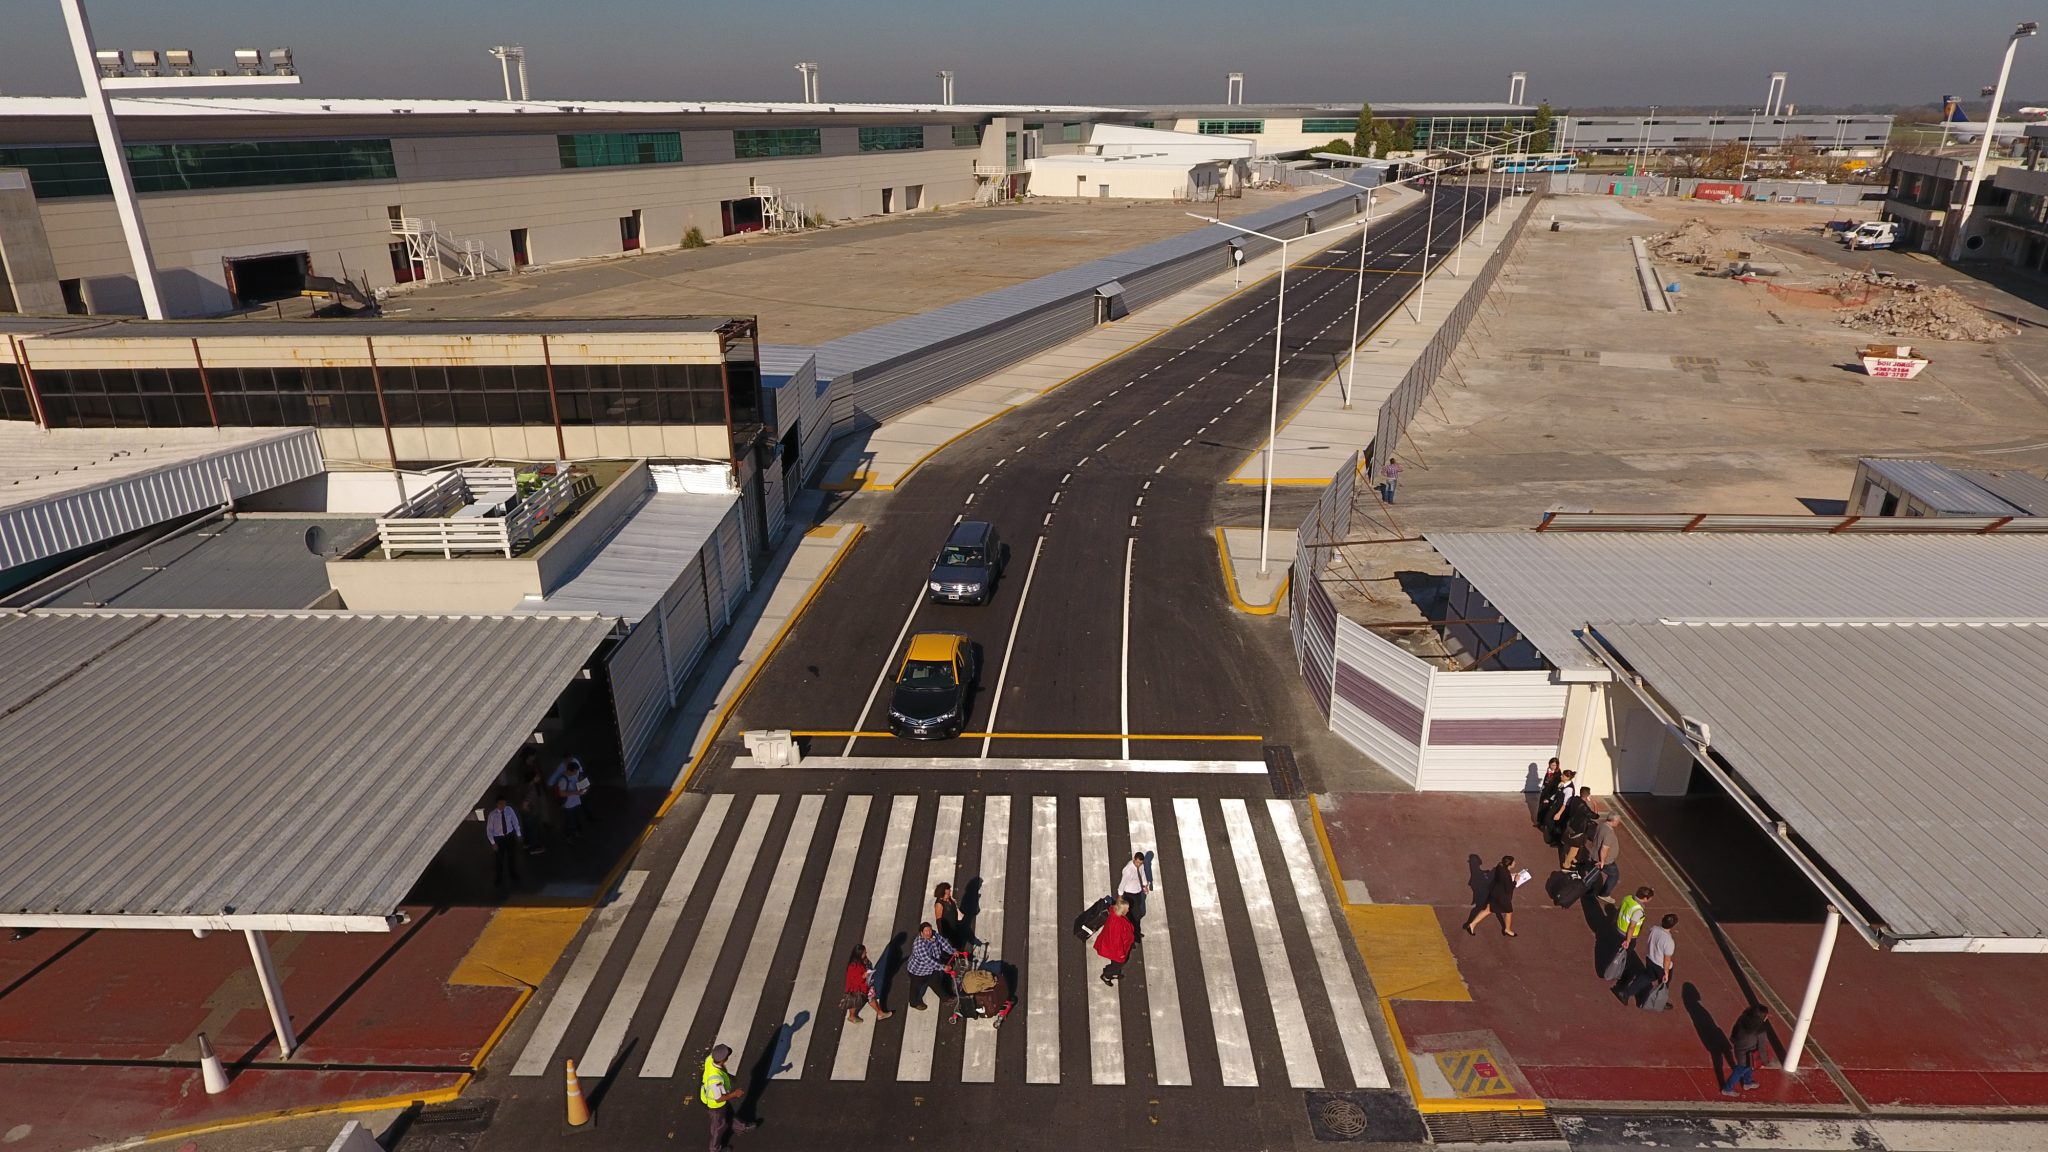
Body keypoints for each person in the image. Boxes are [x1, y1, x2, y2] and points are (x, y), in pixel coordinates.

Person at [1617, 913, 1678, 1008]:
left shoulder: (1654, 929)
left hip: (1650, 959)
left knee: (1645, 978)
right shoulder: (1669, 941)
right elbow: (1667, 959)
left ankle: (1626, 993)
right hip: (1660, 966)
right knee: (1663, 984)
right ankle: (1659, 1001)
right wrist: (1666, 972)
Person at [701, 1043, 755, 1149]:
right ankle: (714, 1149)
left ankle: (741, 1127)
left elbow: (721, 1068)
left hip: (719, 1101)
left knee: (729, 1114)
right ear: (722, 1060)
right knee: (718, 1127)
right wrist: (734, 1094)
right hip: (715, 1106)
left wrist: (728, 1076)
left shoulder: (710, 1059)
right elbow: (718, 1099)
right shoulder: (715, 1080)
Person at [1463, 855, 1519, 937]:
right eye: (1513, 862)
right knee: (1509, 912)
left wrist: (1511, 875)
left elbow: (1503, 877)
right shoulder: (1505, 874)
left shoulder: (1500, 866)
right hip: (1502, 897)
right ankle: (1507, 929)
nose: (1515, 863)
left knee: (1488, 910)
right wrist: (1515, 881)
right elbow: (1509, 888)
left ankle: (1471, 925)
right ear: (1509, 864)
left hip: (1494, 894)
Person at [903, 923, 955, 1011]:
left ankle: (946, 999)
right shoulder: (919, 946)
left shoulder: (934, 935)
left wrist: (952, 951)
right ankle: (914, 1002)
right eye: (926, 931)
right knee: (916, 987)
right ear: (921, 933)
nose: (929, 933)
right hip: (918, 971)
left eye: (930, 930)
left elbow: (943, 942)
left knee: (936, 982)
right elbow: (928, 961)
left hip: (931, 969)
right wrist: (943, 967)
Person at [1722, 1004, 1772, 1094]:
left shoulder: (1743, 1018)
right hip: (1748, 1053)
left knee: (1750, 1067)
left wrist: (1733, 1038)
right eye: (1766, 1015)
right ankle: (1727, 1089)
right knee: (1740, 1070)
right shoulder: (1760, 1029)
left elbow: (1735, 1028)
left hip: (1739, 1048)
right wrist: (1765, 1062)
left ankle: (1747, 1082)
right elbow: (1761, 1047)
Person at [842, 944, 892, 1024]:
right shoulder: (853, 966)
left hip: (864, 986)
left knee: (868, 999)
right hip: (858, 988)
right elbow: (854, 981)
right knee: (856, 1002)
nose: (866, 953)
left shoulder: (862, 960)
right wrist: (863, 976)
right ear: (859, 955)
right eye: (864, 953)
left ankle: (879, 1013)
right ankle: (879, 1014)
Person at [485, 792, 523, 889]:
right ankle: (499, 878)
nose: (503, 806)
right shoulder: (492, 815)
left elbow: (515, 821)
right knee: (499, 859)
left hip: (509, 836)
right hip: (499, 839)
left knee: (511, 856)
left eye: (504, 803)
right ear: (497, 804)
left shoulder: (509, 810)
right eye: (501, 804)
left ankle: (513, 873)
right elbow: (489, 829)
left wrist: (518, 834)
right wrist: (493, 843)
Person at [1095, 899, 1137, 985]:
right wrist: (1121, 954)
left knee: (1117, 963)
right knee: (1118, 963)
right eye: (1127, 909)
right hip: (1116, 950)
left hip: (1116, 945)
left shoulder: (1115, 915)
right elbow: (1116, 942)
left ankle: (1113, 972)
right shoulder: (1117, 923)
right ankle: (1107, 975)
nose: (1128, 910)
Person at [551, 757, 591, 844]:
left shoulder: (573, 776)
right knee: (570, 821)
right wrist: (576, 792)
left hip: (576, 802)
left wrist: (583, 787)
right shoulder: (563, 780)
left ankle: (577, 832)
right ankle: (569, 836)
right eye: (576, 771)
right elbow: (562, 793)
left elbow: (577, 784)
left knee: (576, 819)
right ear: (571, 770)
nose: (577, 773)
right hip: (568, 805)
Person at [1559, 786, 1597, 869]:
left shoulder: (1575, 799)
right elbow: (1595, 816)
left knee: (1570, 844)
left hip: (1571, 825)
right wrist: (1595, 805)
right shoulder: (1584, 807)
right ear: (1588, 796)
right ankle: (1567, 864)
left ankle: (1573, 860)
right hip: (1578, 829)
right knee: (1575, 848)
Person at [1589, 815, 1623, 905]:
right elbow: (1604, 849)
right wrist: (1603, 861)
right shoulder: (1609, 834)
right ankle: (1604, 894)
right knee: (1614, 875)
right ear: (1613, 821)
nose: (1619, 823)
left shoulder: (1601, 825)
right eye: (1618, 821)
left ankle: (1588, 888)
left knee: (1594, 873)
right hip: (1605, 860)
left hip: (1594, 855)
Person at [1118, 851, 1151, 932]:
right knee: (1136, 915)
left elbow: (1142, 874)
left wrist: (1145, 885)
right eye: (1137, 862)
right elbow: (1122, 884)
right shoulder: (1128, 870)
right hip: (1129, 895)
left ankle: (1134, 932)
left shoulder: (1141, 866)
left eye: (1140, 863)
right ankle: (1134, 933)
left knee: (1135, 915)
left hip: (1137, 892)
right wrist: (1120, 896)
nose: (1138, 865)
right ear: (1134, 859)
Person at [1615, 886, 1653, 950]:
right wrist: (1628, 940)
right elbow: (1632, 927)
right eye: (1650, 898)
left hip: (1618, 927)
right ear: (1645, 898)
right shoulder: (1638, 910)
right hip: (1626, 934)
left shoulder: (1628, 898)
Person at [932, 882, 965, 953]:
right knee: (952, 947)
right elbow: (938, 920)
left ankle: (959, 956)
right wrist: (942, 935)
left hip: (955, 926)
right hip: (948, 930)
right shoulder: (939, 904)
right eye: (948, 889)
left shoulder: (949, 899)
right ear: (944, 891)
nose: (950, 890)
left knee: (958, 943)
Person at [1535, 758, 1564, 833]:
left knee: (1546, 809)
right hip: (1544, 792)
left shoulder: (1558, 774)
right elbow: (1546, 781)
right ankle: (1539, 822)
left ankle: (1544, 825)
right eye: (1552, 765)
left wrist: (1548, 798)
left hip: (1549, 795)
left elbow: (1555, 788)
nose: (1553, 766)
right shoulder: (1549, 771)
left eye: (1555, 765)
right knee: (1541, 807)